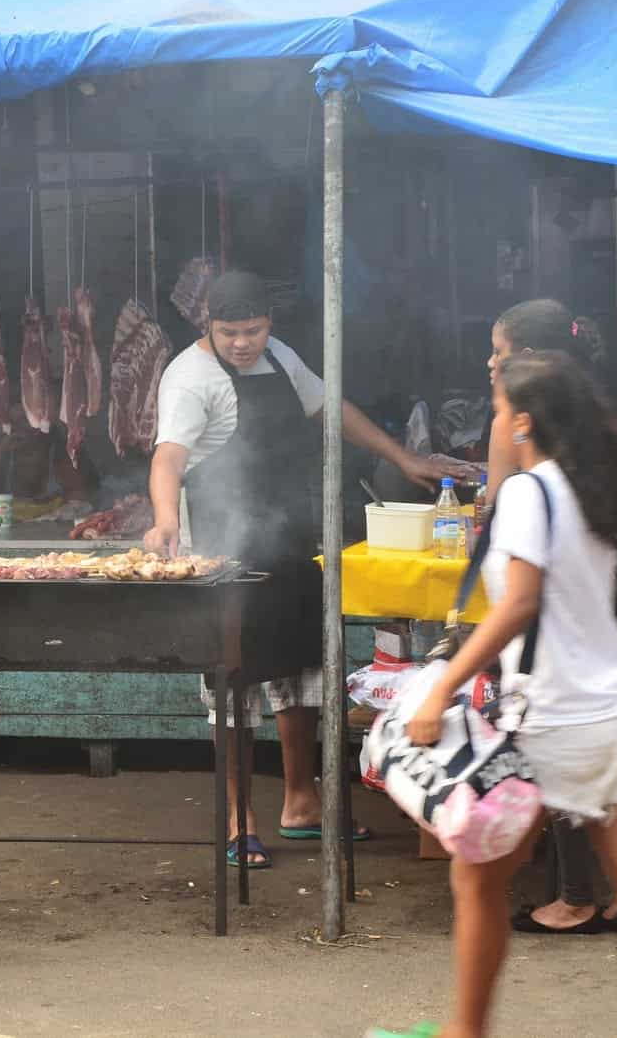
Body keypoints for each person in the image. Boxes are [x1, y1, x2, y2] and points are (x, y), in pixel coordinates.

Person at [369, 353, 617, 1038]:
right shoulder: (597, 483)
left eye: (497, 408)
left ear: (522, 419)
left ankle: (466, 1030)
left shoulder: (529, 492)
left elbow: (518, 604)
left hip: (552, 720)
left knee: (477, 881)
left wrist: (442, 690)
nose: (494, 419)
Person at [144, 269, 468, 869]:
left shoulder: (280, 358)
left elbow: (330, 409)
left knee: (304, 673)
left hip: (293, 538)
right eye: (230, 332)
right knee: (234, 681)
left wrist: (405, 457)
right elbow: (169, 457)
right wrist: (165, 520)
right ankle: (239, 816)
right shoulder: (190, 380)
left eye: (254, 330)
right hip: (225, 549)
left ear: (271, 324)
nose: (243, 343)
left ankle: (301, 802)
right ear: (206, 325)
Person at [484, 299, 617, 936]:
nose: (490, 362)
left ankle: (573, 896)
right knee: (607, 760)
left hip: (551, 621)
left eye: (499, 350)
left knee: (558, 751)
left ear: (527, 360)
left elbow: (498, 505)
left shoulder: (518, 423)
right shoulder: (598, 411)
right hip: (607, 606)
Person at [0, 401, 98, 512]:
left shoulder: (60, 451)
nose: (20, 429)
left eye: (26, 421)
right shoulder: (4, 453)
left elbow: (81, 499)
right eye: (14, 423)